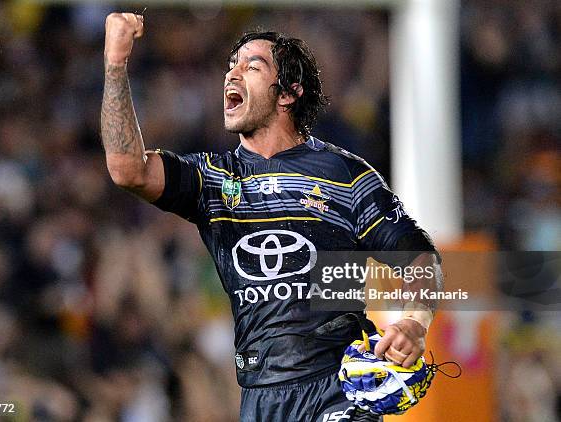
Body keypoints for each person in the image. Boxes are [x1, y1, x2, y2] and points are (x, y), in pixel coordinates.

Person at [101, 12, 443, 422]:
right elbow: (127, 169)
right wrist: (116, 63)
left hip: (336, 388)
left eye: (252, 66)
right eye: (230, 66)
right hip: (260, 397)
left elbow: (421, 259)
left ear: (288, 93)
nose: (232, 74)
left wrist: (414, 323)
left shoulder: (344, 175)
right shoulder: (213, 177)